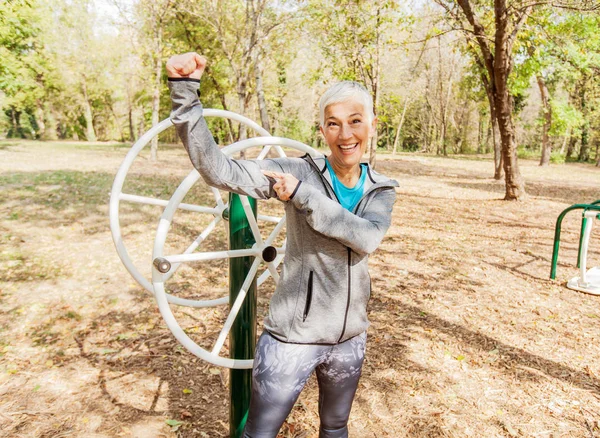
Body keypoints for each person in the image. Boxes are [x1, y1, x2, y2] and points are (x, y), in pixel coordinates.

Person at [166, 52, 398, 438]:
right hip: (292, 337)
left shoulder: (382, 189)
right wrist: (185, 93)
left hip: (349, 339)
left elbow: (365, 237)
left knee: (336, 427)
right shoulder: (296, 171)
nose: (346, 135)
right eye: (334, 124)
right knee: (259, 433)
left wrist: (303, 197)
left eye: (356, 122)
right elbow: (219, 170)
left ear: (372, 124)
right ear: (322, 130)